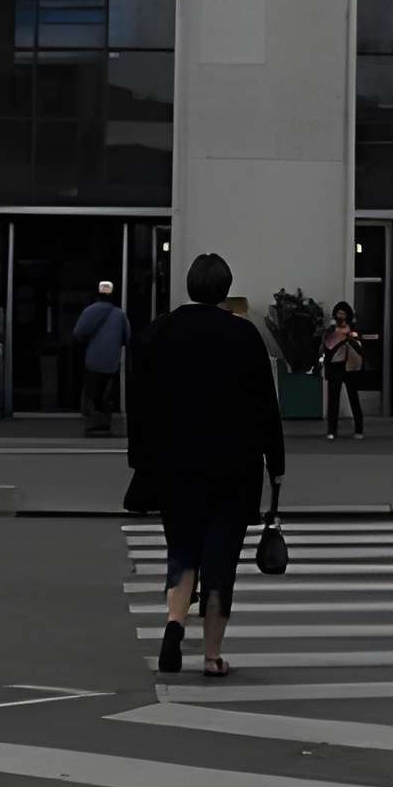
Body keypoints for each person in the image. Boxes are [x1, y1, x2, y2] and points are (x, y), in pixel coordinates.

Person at [129, 252, 283, 681]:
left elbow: (139, 403)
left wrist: (141, 458)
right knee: (220, 561)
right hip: (234, 466)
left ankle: (174, 623)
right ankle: (212, 656)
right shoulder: (244, 335)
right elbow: (265, 406)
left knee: (182, 549)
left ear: (190, 285)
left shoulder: (158, 332)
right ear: (224, 289)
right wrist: (276, 463)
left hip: (174, 464)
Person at [69, 279, 129, 436]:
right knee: (107, 394)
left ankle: (92, 424)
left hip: (93, 361)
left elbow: (78, 333)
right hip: (112, 362)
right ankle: (105, 424)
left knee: (92, 392)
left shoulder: (89, 311)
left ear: (97, 294)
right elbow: (127, 337)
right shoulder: (119, 314)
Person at [322, 300, 370, 437]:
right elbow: (327, 349)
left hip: (351, 367)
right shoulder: (331, 331)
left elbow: (360, 349)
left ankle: (359, 429)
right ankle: (332, 430)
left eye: (343, 313)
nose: (341, 316)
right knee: (333, 400)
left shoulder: (353, 331)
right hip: (335, 367)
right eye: (339, 313)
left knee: (353, 398)